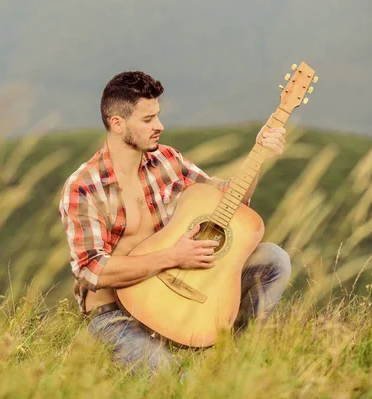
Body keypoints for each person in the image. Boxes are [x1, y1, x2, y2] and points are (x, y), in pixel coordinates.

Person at [58, 71, 291, 374]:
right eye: (147, 119)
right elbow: (91, 271)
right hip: (116, 312)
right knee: (175, 380)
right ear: (118, 124)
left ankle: (235, 357)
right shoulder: (84, 186)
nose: (159, 126)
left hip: (178, 297)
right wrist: (173, 256)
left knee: (274, 259)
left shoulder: (167, 159)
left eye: (158, 116)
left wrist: (258, 155)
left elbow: (227, 199)